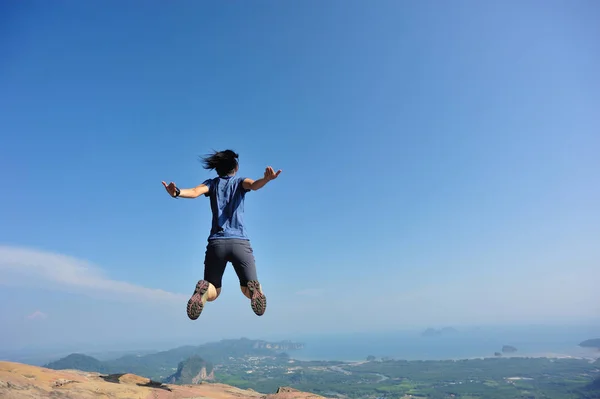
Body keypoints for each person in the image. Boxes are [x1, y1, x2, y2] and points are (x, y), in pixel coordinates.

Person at [161, 149, 281, 320]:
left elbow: (195, 192)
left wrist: (176, 192)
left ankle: (203, 289)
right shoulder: (240, 182)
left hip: (216, 244)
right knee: (248, 288)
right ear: (236, 167)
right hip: (240, 243)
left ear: (217, 169)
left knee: (213, 290)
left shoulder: (211, 183)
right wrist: (267, 179)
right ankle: (254, 289)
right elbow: (254, 185)